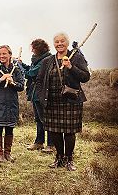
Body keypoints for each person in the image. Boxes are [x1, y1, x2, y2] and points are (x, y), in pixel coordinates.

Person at [36, 33, 90, 171]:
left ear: (67, 42)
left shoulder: (76, 57)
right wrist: (41, 96)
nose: (59, 44)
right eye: (57, 42)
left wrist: (71, 67)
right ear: (54, 44)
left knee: (69, 132)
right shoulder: (48, 61)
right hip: (52, 101)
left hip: (71, 101)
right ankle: (59, 158)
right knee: (55, 131)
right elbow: (40, 80)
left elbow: (85, 77)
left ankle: (69, 159)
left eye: (62, 41)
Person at [0, 45, 25, 162]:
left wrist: (13, 82)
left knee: (9, 129)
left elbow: (21, 86)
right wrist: (1, 79)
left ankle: (8, 153)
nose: (2, 56)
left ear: (9, 55)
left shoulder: (16, 69)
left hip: (11, 104)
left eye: (4, 54)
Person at [21, 39, 55, 152]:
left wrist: (19, 68)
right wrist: (22, 64)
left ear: (39, 49)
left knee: (45, 119)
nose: (32, 51)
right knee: (38, 119)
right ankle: (39, 142)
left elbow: (31, 73)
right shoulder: (38, 59)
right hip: (35, 93)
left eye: (34, 49)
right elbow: (31, 69)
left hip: (42, 93)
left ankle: (51, 144)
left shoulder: (46, 60)